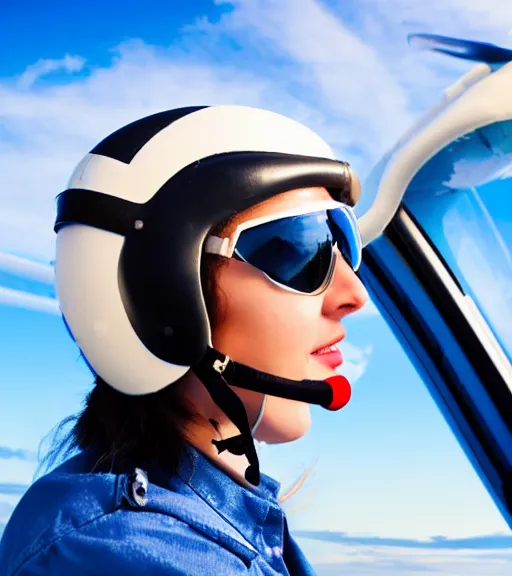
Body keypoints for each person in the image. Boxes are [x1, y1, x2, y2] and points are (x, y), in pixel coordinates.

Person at [0, 105, 368, 575]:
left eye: (342, 240)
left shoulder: (203, 527)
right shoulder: (122, 553)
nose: (353, 294)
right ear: (162, 292)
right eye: (299, 248)